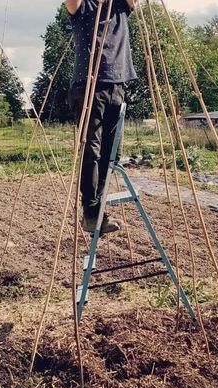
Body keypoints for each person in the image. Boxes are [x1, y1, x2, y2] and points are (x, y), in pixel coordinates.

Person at [66, 0, 138, 234]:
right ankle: (91, 213)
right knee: (92, 151)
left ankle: (98, 210)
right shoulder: (82, 6)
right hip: (89, 86)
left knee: (112, 155)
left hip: (117, 84)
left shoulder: (120, 5)